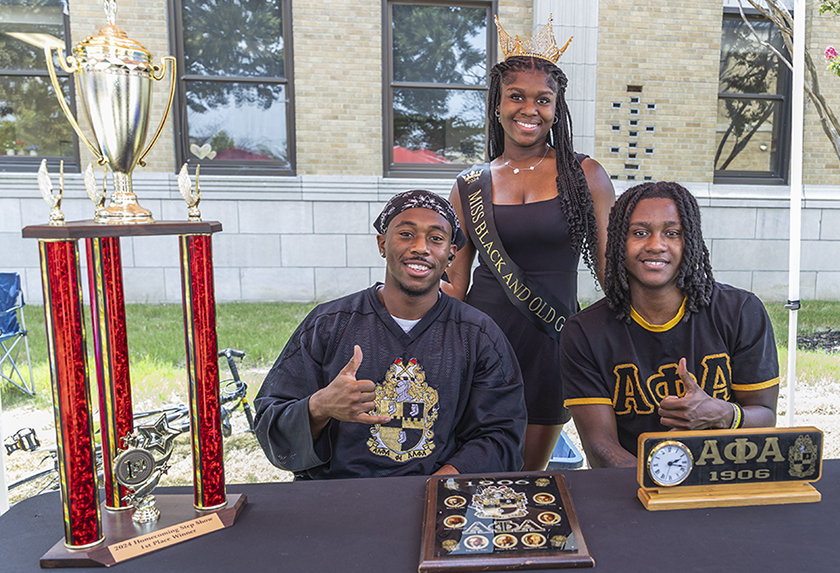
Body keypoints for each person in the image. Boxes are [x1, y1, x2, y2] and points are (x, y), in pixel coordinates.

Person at [254, 190, 527, 479]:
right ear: (382, 244)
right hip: (337, 496)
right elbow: (270, 426)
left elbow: (503, 434)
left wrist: (443, 482)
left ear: (451, 254)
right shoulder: (328, 325)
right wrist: (319, 407)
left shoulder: (478, 335)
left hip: (437, 495)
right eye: (406, 234)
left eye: (436, 238)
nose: (421, 247)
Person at [443, 15, 616, 470]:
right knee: (481, 463)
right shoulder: (468, 185)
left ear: (556, 108)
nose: (529, 109)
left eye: (543, 99)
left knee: (527, 473)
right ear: (498, 106)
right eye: (516, 96)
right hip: (481, 337)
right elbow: (454, 284)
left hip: (552, 339)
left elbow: (610, 267)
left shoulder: (585, 174)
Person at [560, 181, 780, 468]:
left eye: (672, 233)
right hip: (632, 488)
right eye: (640, 233)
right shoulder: (584, 333)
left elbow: (764, 417)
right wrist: (663, 482)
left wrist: (722, 414)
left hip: (724, 479)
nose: (656, 245)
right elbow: (600, 447)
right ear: (617, 242)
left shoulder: (740, 312)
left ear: (690, 241)